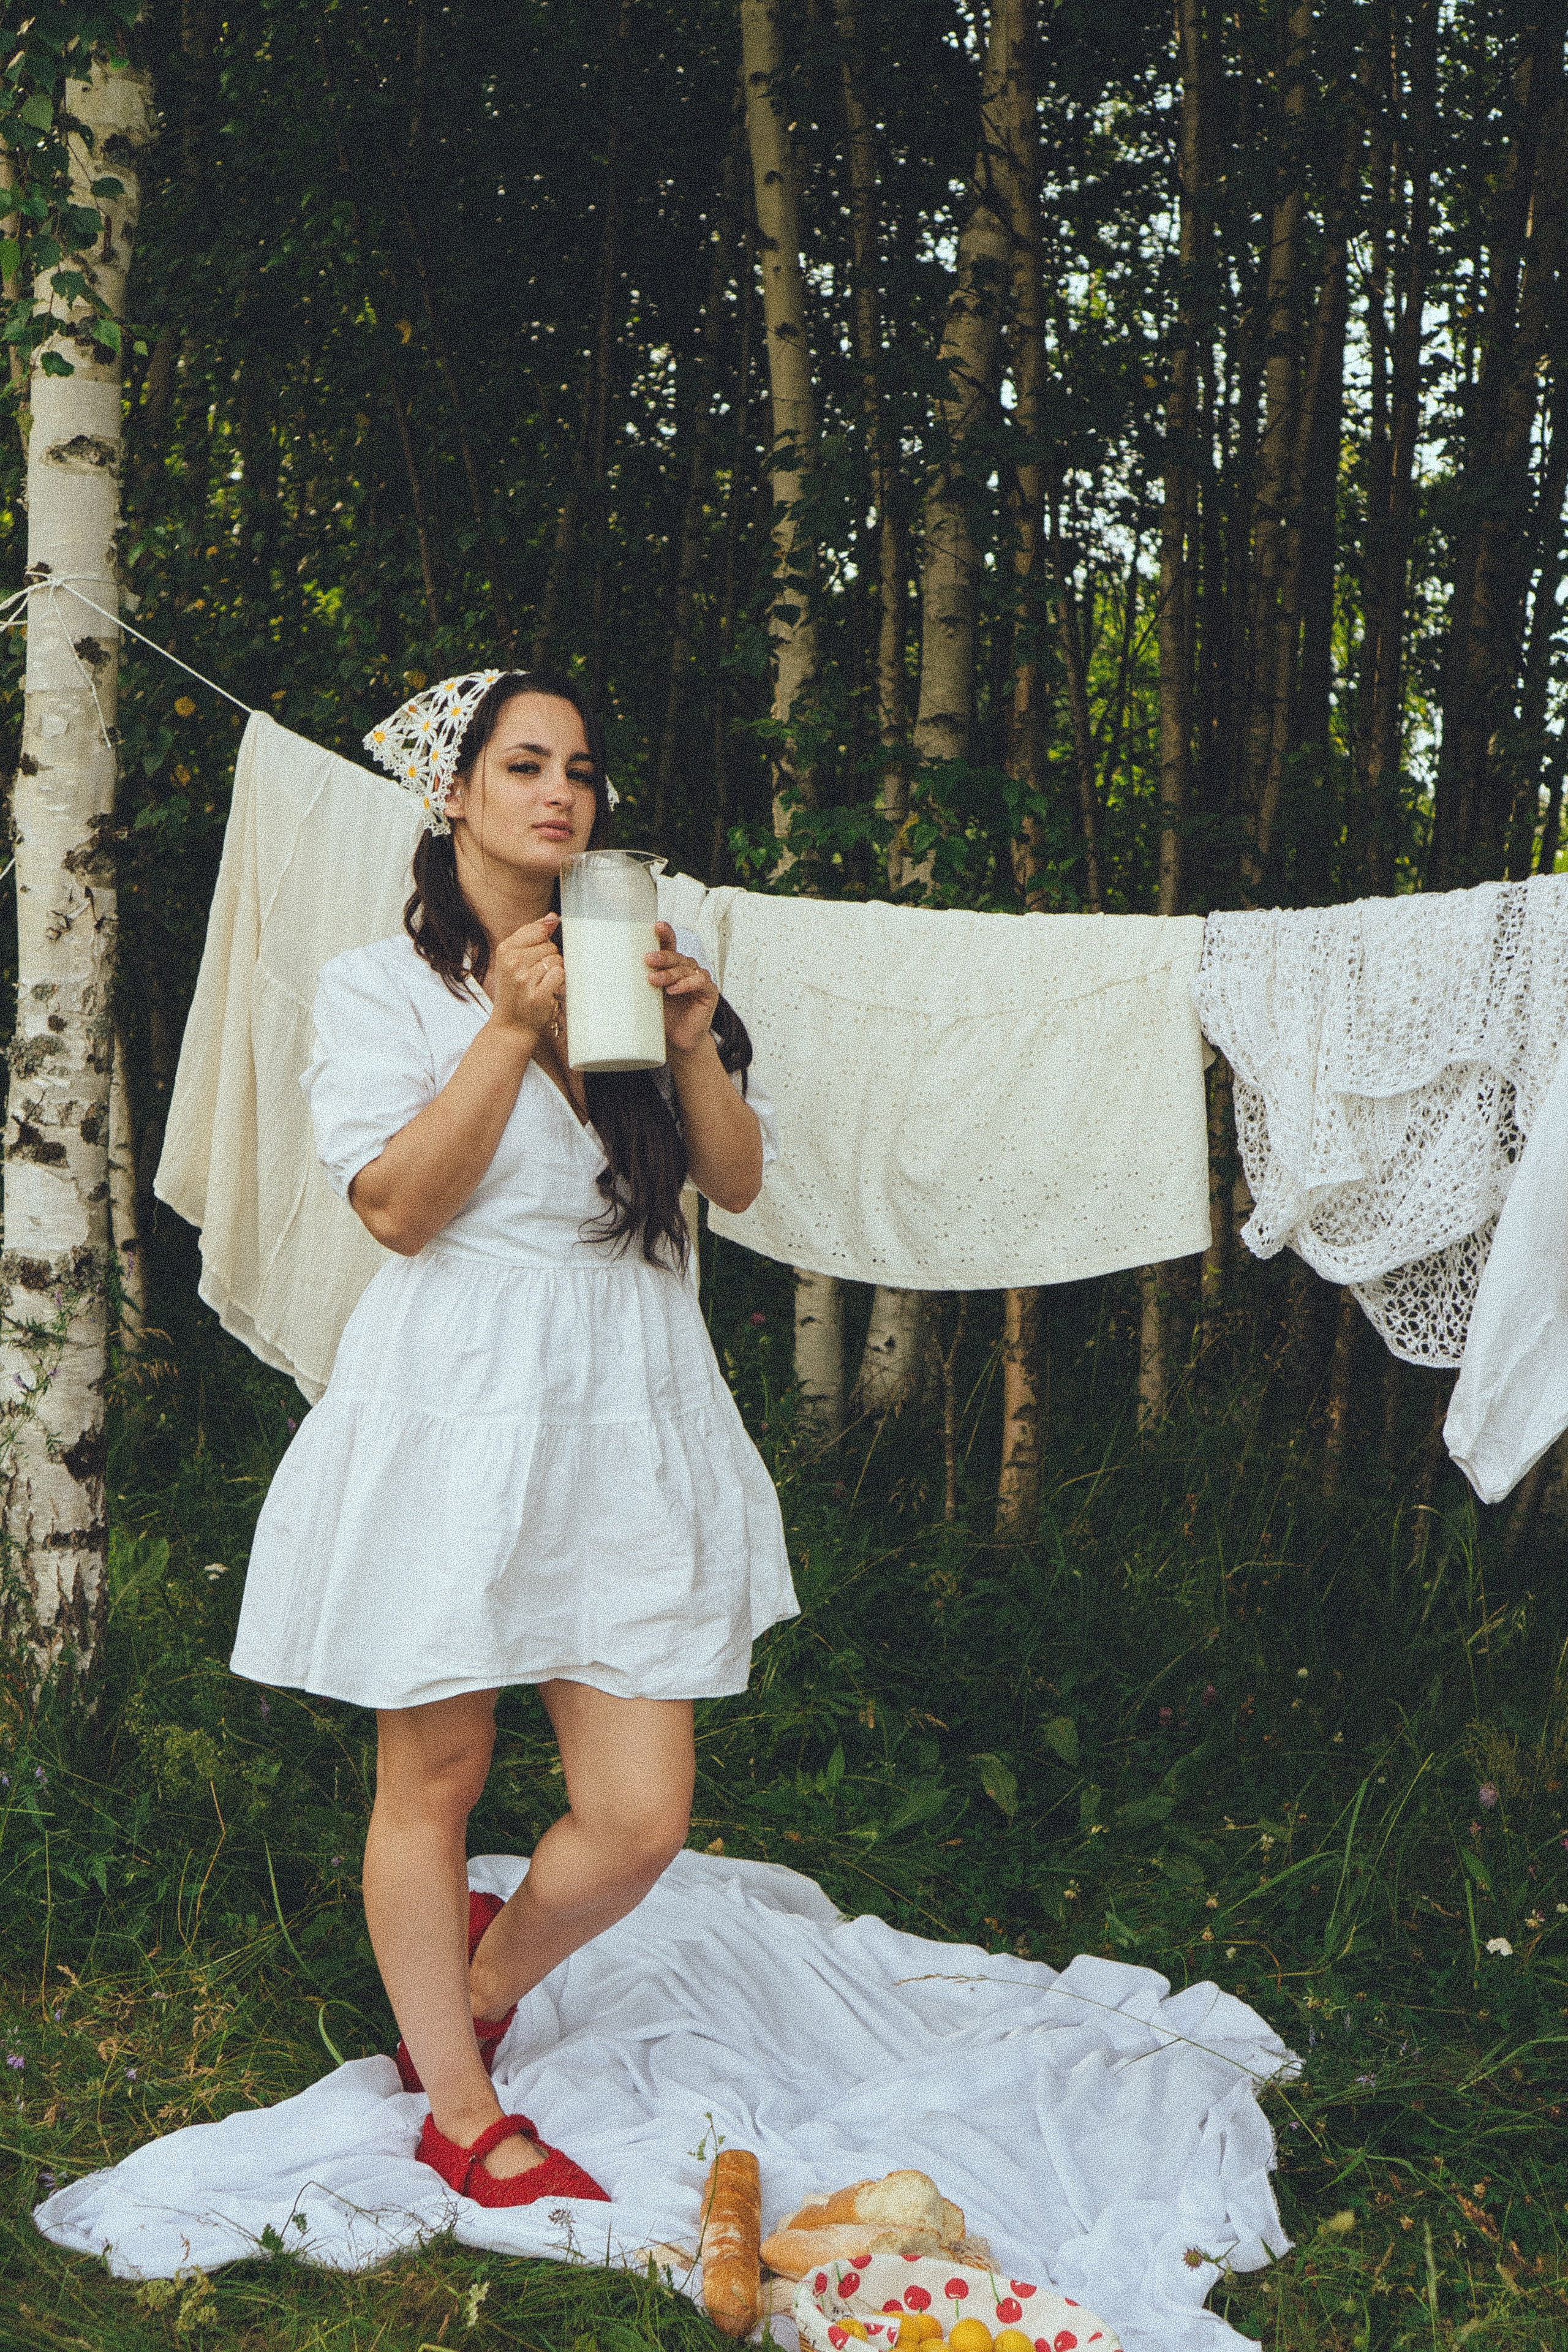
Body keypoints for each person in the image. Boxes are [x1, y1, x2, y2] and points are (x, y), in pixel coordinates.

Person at [229, 668, 797, 2207]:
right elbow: (398, 1211)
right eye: (526, 765)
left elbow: (733, 1184)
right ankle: (462, 2111)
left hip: (627, 1392)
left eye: (582, 771)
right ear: (453, 793)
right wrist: (504, 1029)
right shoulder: (378, 987)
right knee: (440, 1767)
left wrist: (688, 1038)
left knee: (639, 1817)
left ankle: (475, 1986)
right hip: (461, 1390)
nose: (561, 794)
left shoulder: (637, 959)